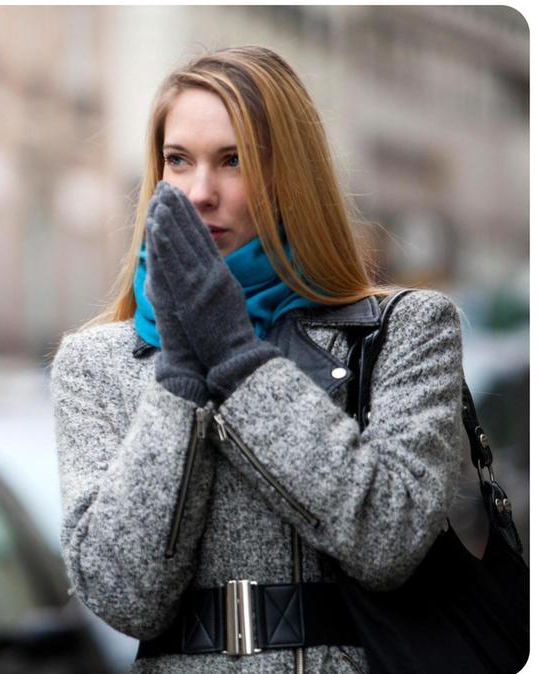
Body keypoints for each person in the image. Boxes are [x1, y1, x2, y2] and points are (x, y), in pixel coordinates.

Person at [51, 46, 470, 672]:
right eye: (178, 161)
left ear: (289, 179)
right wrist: (179, 382)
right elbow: (122, 598)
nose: (199, 192)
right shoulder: (96, 363)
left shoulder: (406, 329)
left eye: (233, 160)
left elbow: (389, 537)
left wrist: (236, 357)